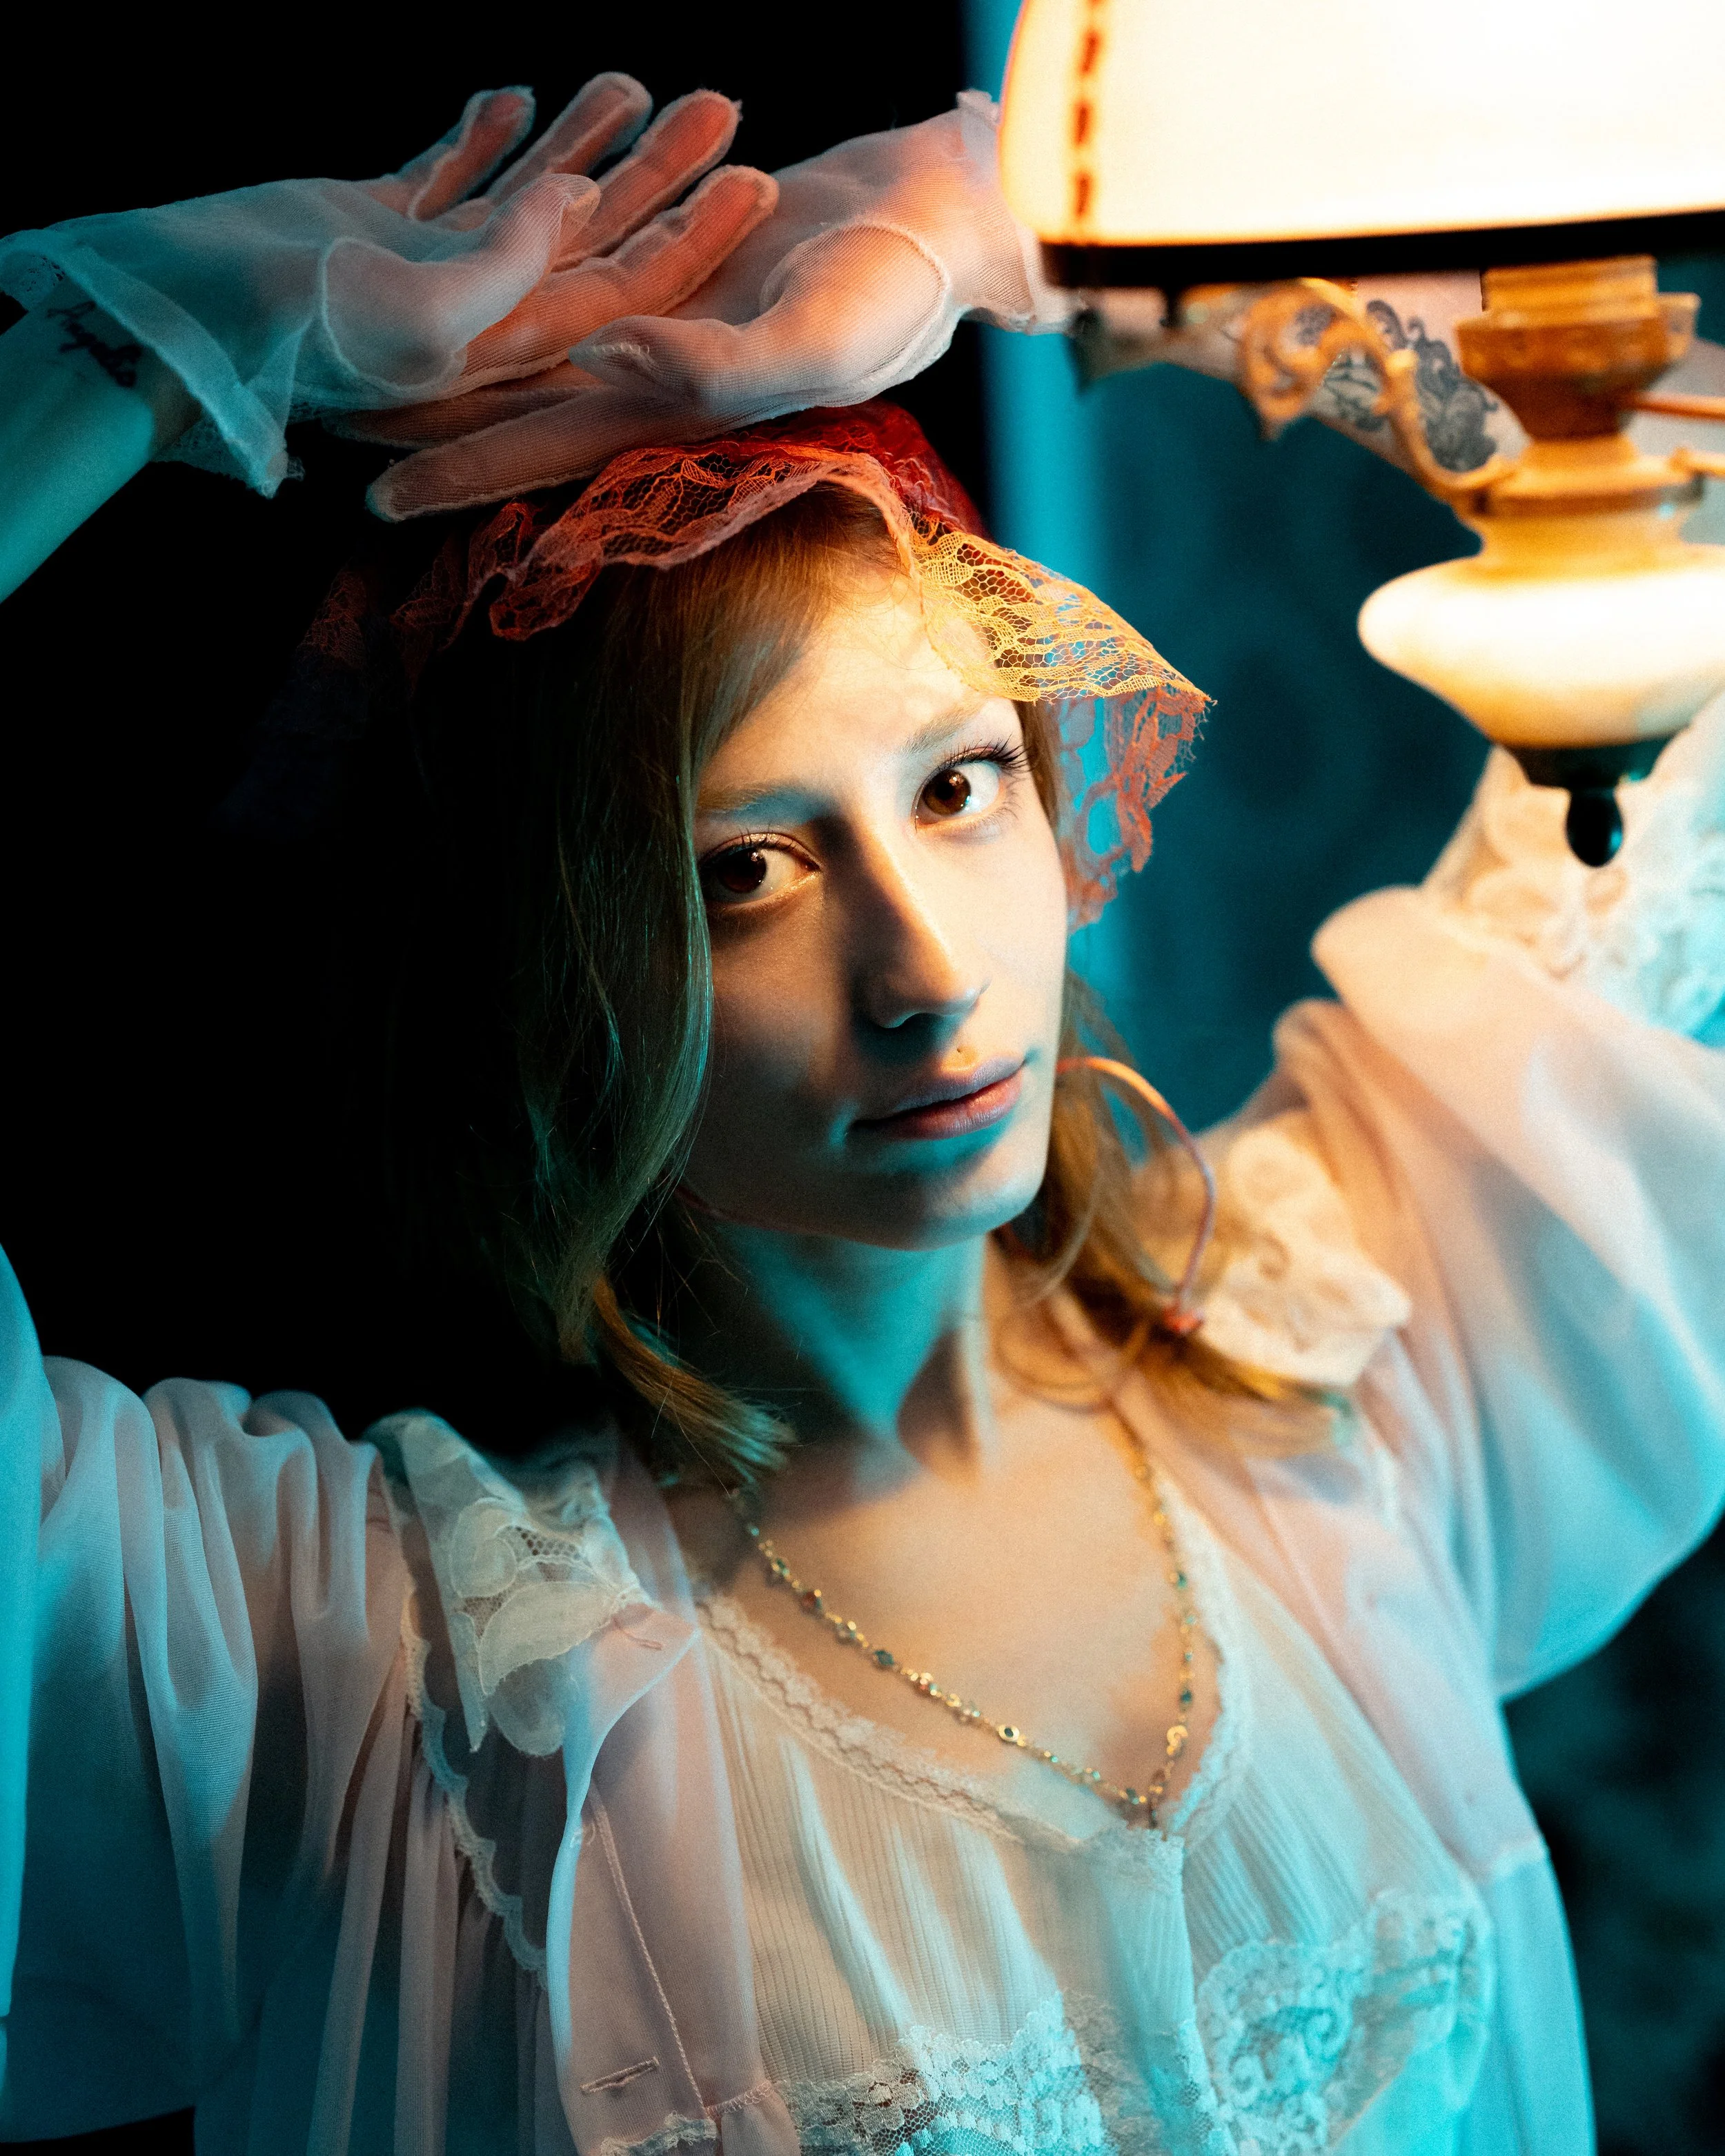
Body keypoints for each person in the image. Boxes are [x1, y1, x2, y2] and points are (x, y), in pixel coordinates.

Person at [4, 72, 1725, 2156]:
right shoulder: (368, 1684)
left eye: (955, 782)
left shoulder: (1358, 1352)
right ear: (558, 974)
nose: (922, 972)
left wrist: (1023, 221)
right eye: (745, 870)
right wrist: (139, 356)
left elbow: (1676, 554)